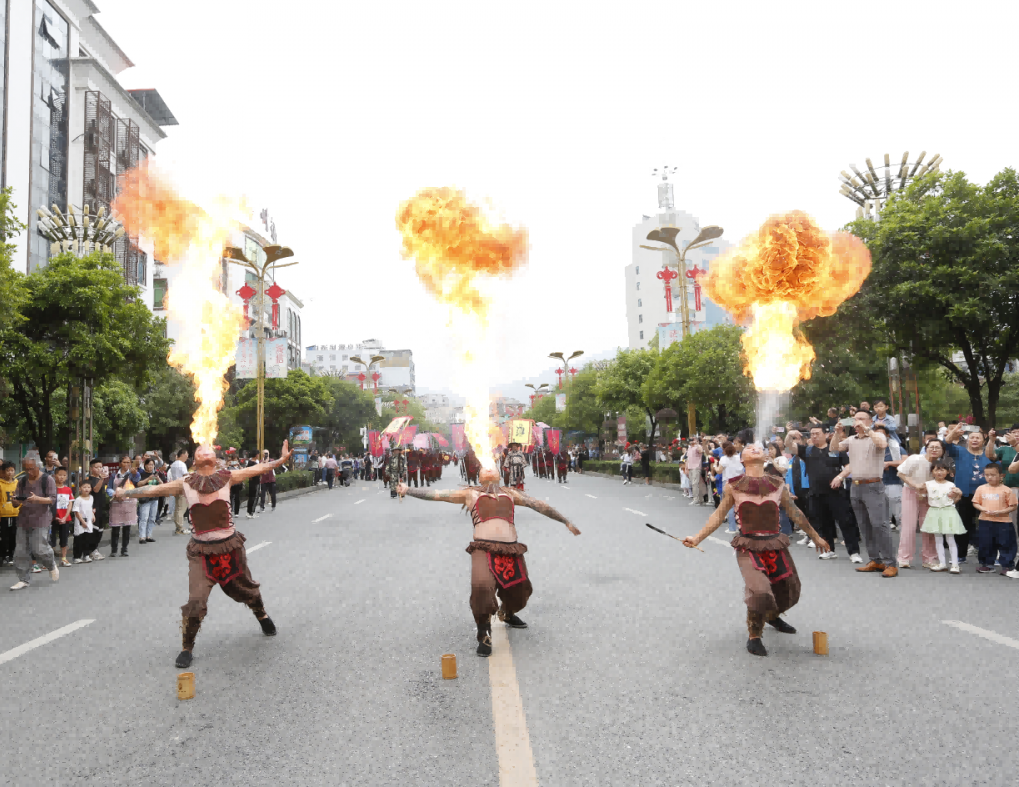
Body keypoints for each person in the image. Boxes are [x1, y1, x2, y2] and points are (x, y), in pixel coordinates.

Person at [114, 441, 291, 668]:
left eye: (208, 449)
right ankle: (187, 647)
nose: (204, 448)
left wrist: (281, 460)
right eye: (200, 449)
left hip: (229, 548)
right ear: (194, 460)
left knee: (245, 587)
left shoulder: (228, 477)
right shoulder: (185, 483)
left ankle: (262, 615)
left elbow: (257, 469)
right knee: (196, 600)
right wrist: (127, 493)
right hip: (201, 552)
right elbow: (154, 490)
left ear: (215, 458)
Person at [397, 466, 580, 657]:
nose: (489, 469)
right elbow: (437, 494)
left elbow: (540, 505)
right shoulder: (469, 494)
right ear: (480, 477)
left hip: (511, 549)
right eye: (486, 469)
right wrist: (408, 490)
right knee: (481, 586)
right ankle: (484, 632)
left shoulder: (511, 494)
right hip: (483, 548)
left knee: (521, 590)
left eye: (493, 468)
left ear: (499, 476)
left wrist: (565, 521)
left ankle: (507, 613)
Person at [682, 444, 830, 657]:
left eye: (758, 447)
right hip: (748, 545)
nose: (754, 448)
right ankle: (754, 635)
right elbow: (718, 515)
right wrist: (697, 538)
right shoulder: (733, 486)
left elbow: (795, 513)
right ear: (742, 459)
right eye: (749, 448)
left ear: (767, 456)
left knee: (790, 591)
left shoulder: (778, 484)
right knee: (760, 591)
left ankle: (771, 615)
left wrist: (816, 536)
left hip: (775, 544)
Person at [832, 412, 896, 577]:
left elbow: (882, 444)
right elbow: (833, 448)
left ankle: (890, 563)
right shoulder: (852, 440)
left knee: (879, 525)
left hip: (873, 485)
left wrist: (868, 429)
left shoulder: (876, 435)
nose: (857, 422)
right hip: (855, 486)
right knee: (864, 525)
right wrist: (836, 432)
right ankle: (875, 560)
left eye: (861, 419)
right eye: (855, 419)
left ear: (869, 421)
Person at [791, 426, 862, 562]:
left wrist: (839, 477)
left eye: (817, 433)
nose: (814, 436)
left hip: (836, 492)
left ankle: (854, 552)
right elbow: (790, 446)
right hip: (816, 493)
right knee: (823, 523)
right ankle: (829, 550)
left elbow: (849, 466)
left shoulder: (835, 449)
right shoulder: (807, 451)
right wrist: (790, 435)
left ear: (826, 434)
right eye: (812, 434)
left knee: (845, 522)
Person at [9, 458, 60, 591]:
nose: (29, 471)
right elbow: (16, 503)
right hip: (23, 519)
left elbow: (52, 499)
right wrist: (15, 501)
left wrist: (37, 499)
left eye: (31, 468)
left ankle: (51, 564)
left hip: (41, 519)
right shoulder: (22, 481)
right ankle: (23, 579)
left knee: (40, 548)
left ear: (38, 466)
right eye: (26, 469)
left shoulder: (47, 480)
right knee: (20, 551)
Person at [896, 440, 946, 569]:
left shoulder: (941, 464)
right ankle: (904, 558)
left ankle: (929, 558)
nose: (934, 450)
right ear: (926, 448)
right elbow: (900, 473)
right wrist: (915, 485)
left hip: (930, 495)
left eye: (937, 448)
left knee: (929, 527)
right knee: (909, 526)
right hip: (910, 491)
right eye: (931, 447)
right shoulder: (915, 459)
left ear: (942, 451)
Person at [944, 423, 990, 561]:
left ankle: (987, 556)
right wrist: (953, 433)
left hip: (985, 496)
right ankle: (961, 555)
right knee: (963, 524)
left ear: (984, 440)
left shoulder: (989, 454)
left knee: (987, 526)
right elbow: (946, 444)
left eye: (978, 437)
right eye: (972, 437)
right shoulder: (959, 451)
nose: (974, 440)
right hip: (964, 494)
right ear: (968, 440)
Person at [972, 463, 1018, 574]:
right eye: (987, 475)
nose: (990, 477)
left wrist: (1000, 512)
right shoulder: (981, 488)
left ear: (1001, 475)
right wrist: (982, 509)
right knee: (985, 543)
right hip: (985, 520)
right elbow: (975, 502)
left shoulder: (1006, 490)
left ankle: (1007, 565)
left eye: (993, 475)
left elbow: (1013, 505)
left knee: (1006, 543)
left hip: (1003, 522)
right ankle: (987, 564)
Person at [921, 460, 965, 573]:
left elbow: (954, 500)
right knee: (938, 539)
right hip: (934, 511)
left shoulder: (951, 485)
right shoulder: (928, 484)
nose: (939, 472)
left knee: (950, 538)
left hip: (948, 511)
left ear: (947, 472)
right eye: (937, 469)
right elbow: (922, 497)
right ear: (932, 471)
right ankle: (942, 563)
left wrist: (959, 495)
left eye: (942, 470)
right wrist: (919, 491)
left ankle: (955, 565)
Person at [107, 456, 140, 557]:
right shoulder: (114, 475)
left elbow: (137, 482)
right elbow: (109, 488)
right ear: (120, 463)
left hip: (129, 503)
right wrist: (115, 494)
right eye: (124, 462)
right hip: (117, 503)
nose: (126, 464)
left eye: (128, 462)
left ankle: (124, 548)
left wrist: (135, 474)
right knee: (115, 527)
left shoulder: (133, 474)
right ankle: (114, 549)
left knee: (127, 527)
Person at [48, 467, 74, 567]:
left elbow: (70, 504)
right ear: (54, 475)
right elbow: (48, 504)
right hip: (52, 519)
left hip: (65, 519)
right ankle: (50, 561)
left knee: (64, 540)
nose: (62, 477)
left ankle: (64, 559)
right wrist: (54, 517)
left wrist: (65, 517)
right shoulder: (51, 489)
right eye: (59, 474)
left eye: (64, 475)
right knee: (51, 540)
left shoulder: (68, 489)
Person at [84, 459, 108, 561]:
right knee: (93, 529)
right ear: (91, 468)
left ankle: (94, 549)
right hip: (93, 508)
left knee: (100, 529)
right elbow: (95, 489)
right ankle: (91, 550)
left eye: (100, 467)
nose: (99, 469)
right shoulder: (89, 479)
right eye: (96, 467)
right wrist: (101, 479)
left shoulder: (101, 478)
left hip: (102, 507)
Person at [136, 457, 162, 544]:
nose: (150, 467)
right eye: (149, 465)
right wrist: (148, 479)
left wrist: (158, 479)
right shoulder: (141, 474)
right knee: (144, 518)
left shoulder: (156, 474)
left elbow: (162, 485)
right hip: (144, 499)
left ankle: (149, 535)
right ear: (145, 465)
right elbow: (139, 484)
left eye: (152, 465)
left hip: (154, 499)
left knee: (152, 518)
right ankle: (142, 537)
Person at [71, 480, 96, 564]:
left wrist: (93, 515)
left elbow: (91, 508)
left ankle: (86, 555)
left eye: (88, 487)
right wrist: (82, 521)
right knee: (79, 539)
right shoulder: (78, 499)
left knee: (87, 538)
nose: (86, 489)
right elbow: (76, 512)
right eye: (84, 487)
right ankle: (76, 556)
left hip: (88, 521)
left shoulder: (91, 497)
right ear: (80, 488)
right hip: (80, 522)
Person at [1, 462, 20, 565]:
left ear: (14, 471)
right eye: (7, 470)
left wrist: (19, 509)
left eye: (11, 470)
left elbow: (20, 498)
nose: (10, 472)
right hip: (4, 514)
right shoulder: (0, 484)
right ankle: (4, 555)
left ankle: (12, 555)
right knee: (4, 536)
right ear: (4, 471)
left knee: (14, 535)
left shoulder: (17, 483)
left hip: (15, 514)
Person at [167, 449, 190, 536]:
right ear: (182, 454)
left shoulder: (174, 464)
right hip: (182, 488)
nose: (187, 456)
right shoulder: (181, 464)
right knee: (181, 508)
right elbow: (185, 476)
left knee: (177, 508)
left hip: (176, 487)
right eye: (187, 454)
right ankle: (180, 528)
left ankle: (178, 527)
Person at [687, 438, 705, 505]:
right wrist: (687, 467)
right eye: (690, 440)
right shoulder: (689, 448)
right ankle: (701, 499)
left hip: (696, 467)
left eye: (692, 440)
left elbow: (701, 451)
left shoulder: (698, 447)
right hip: (690, 467)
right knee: (695, 483)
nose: (691, 441)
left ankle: (696, 499)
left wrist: (697, 444)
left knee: (695, 483)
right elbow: (688, 458)